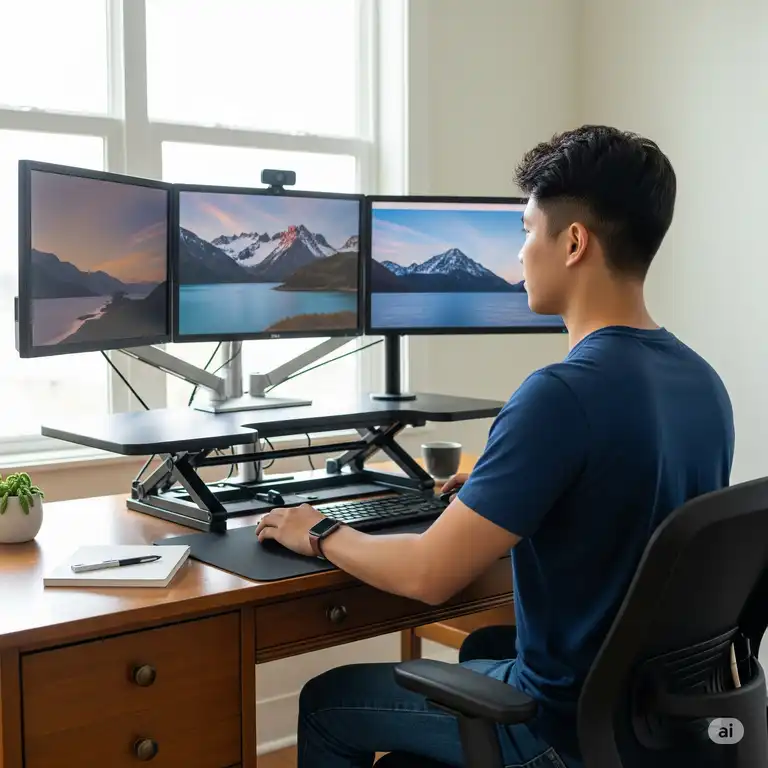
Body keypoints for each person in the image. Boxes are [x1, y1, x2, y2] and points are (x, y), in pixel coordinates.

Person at [254, 125, 735, 767]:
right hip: (650, 725)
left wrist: (317, 530)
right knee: (484, 648)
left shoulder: (559, 395)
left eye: (527, 231)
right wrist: (507, 499)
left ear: (573, 243)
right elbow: (624, 526)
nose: (520, 253)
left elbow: (428, 575)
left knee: (327, 700)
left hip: (561, 731)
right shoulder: (703, 382)